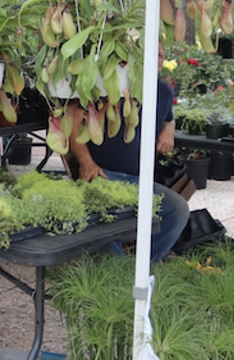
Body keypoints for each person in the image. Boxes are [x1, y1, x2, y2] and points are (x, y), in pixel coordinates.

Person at [66, 74, 190, 262]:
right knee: (101, 215)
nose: (156, 58)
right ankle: (120, 268)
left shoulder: (163, 91)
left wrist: (169, 129)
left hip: (141, 182)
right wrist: (86, 163)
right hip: (104, 175)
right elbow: (72, 123)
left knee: (178, 208)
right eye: (153, 53)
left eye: (160, 55)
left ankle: (145, 265)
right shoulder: (105, 84)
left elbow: (168, 118)